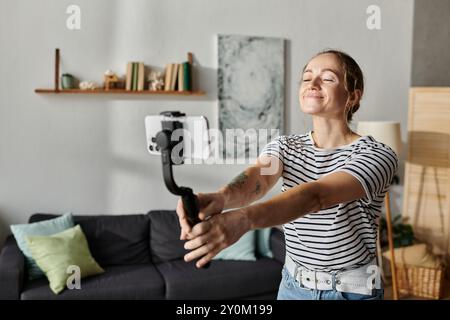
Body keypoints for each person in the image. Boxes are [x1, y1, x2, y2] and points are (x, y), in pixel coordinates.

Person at [176, 49, 398, 300]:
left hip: (351, 291)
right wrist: (220, 197)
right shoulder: (285, 146)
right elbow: (256, 179)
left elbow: (316, 196)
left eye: (327, 78)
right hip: (293, 287)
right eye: (306, 78)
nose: (312, 84)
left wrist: (242, 220)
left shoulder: (377, 155)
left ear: (353, 97)